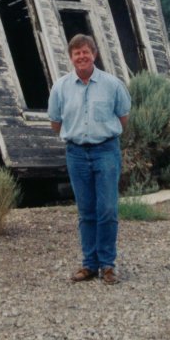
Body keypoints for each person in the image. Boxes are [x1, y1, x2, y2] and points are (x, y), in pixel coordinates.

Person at [48, 34, 131, 285]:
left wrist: (101, 134)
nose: (82, 56)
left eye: (86, 51)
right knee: (86, 211)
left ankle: (108, 265)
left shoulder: (112, 84)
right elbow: (55, 122)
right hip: (76, 154)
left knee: (107, 209)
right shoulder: (60, 87)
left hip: (106, 151)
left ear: (94, 54)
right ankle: (89, 265)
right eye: (77, 53)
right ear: (71, 57)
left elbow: (123, 117)